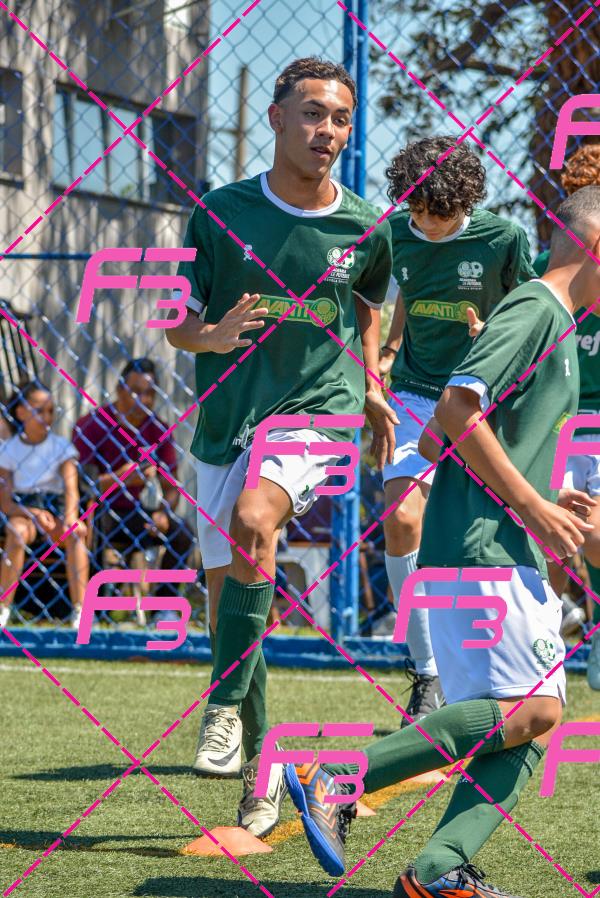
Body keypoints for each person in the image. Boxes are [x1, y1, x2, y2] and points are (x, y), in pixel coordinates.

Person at [284, 186, 600, 897]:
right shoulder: (536, 309)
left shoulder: (552, 319)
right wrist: (530, 505)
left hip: (492, 541)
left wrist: (542, 496)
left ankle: (437, 871)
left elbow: (441, 434)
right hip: (485, 544)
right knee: (537, 710)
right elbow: (457, 408)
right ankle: (338, 775)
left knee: (527, 722)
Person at [166, 56, 395, 838]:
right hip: (226, 420)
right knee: (234, 609)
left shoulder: (365, 225)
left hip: (316, 411)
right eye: (312, 113)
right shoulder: (219, 213)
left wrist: (371, 382)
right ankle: (262, 770)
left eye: (340, 118)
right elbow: (178, 323)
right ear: (276, 118)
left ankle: (220, 706)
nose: (327, 130)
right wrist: (212, 335)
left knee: (256, 519)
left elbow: (368, 304)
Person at [378, 136, 536, 722]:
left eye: (439, 215)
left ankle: (510, 662)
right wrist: (388, 350)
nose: (427, 225)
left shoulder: (503, 240)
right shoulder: (393, 235)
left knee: (481, 538)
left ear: (465, 202)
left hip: (480, 399)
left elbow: (532, 314)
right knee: (401, 518)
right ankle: (427, 675)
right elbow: (400, 291)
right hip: (415, 394)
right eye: (417, 211)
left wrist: (491, 336)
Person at [532, 144, 600, 689]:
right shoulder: (545, 271)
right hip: (557, 417)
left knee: (593, 528)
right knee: (546, 534)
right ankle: (541, 643)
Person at [73, 358, 194, 595]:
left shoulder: (158, 429)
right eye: (136, 392)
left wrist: (163, 511)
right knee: (95, 526)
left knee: (182, 533)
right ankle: (95, 602)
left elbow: (172, 488)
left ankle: (163, 605)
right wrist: (121, 477)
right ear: (119, 389)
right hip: (97, 510)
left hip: (135, 512)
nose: (143, 400)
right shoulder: (92, 424)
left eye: (150, 393)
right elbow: (83, 486)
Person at [0, 381, 89, 628]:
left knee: (76, 535)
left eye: (51, 411)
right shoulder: (9, 449)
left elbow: (71, 489)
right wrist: (33, 513)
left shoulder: (61, 447)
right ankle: (3, 606)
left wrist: (70, 517)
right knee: (17, 532)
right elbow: (5, 502)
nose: (46, 417)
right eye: (39, 411)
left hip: (55, 506)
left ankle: (80, 609)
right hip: (25, 508)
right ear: (21, 412)